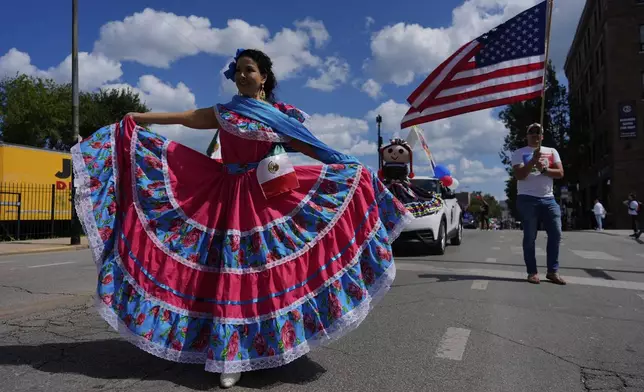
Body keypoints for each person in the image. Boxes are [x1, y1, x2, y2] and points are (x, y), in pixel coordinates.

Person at [72, 49, 412, 389]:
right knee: (227, 273)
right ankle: (228, 356)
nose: (242, 75)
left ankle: (272, 343)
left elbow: (315, 148)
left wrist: (351, 167)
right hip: (227, 196)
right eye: (238, 70)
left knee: (265, 274)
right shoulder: (227, 113)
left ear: (264, 77)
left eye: (249, 70)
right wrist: (145, 117)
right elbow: (188, 116)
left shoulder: (279, 116)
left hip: (267, 198)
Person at [511, 123, 566, 285]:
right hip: (527, 198)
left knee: (556, 233)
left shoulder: (551, 152)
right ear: (526, 135)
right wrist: (532, 161)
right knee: (530, 236)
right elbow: (520, 175)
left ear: (542, 136)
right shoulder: (519, 153)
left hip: (548, 199)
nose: (535, 135)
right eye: (532, 132)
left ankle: (552, 271)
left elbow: (560, 173)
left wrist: (543, 170)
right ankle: (532, 272)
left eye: (538, 132)